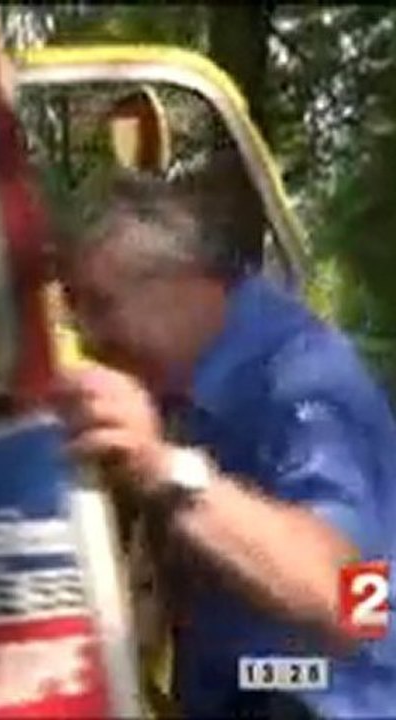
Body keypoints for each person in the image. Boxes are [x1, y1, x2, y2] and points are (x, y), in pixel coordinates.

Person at [55, 170, 396, 718]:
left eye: (101, 305)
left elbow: (347, 598)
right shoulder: (182, 383)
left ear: (183, 283)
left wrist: (162, 469)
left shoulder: (306, 384)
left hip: (323, 689)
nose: (89, 338)